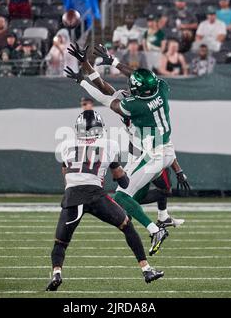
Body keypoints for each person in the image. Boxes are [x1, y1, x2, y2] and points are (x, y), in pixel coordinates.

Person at [66, 44, 183, 255]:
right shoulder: (161, 87)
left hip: (151, 155)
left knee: (121, 197)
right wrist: (109, 62)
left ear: (137, 94)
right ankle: (162, 217)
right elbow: (114, 82)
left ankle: (156, 228)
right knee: (134, 199)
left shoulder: (133, 107)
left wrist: (81, 79)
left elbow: (103, 96)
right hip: (163, 150)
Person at [46, 110, 164, 291]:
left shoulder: (66, 145)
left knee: (61, 242)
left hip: (72, 195)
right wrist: (123, 172)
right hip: (95, 195)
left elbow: (65, 171)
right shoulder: (109, 145)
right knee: (126, 225)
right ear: (99, 128)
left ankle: (56, 274)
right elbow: (122, 181)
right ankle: (146, 270)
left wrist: (72, 188)